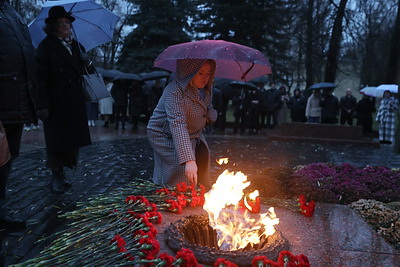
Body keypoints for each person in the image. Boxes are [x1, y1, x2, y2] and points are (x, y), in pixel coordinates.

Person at [35, 6, 92, 193]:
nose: (65, 25)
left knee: (72, 141)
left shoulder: (77, 45)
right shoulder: (46, 46)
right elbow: (39, 79)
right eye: (60, 22)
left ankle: (63, 173)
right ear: (52, 26)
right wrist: (42, 105)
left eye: (67, 22)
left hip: (74, 102)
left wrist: (87, 61)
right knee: (56, 142)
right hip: (55, 102)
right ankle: (56, 175)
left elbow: (90, 72)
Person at [147, 59, 217, 188]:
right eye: (200, 73)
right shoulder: (174, 91)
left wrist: (210, 115)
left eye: (208, 73)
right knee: (178, 166)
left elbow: (203, 107)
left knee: (202, 156)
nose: (205, 78)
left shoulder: (204, 90)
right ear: (189, 73)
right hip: (164, 134)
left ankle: (197, 191)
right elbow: (177, 124)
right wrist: (189, 160)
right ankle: (171, 194)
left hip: (192, 133)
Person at [0, 0, 38, 230]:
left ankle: (1, 208)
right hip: (4, 102)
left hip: (16, 103)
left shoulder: (12, 13)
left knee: (6, 159)